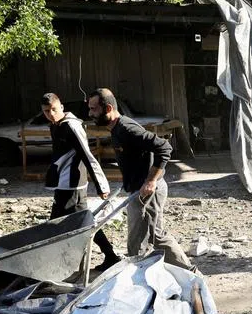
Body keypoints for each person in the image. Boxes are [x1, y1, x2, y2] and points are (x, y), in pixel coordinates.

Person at [86, 88, 194, 270]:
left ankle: (186, 274)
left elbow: (164, 148)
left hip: (148, 191)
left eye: (94, 109)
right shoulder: (116, 129)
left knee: (146, 240)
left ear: (108, 108)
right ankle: (157, 275)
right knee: (147, 238)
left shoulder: (127, 128)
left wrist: (150, 181)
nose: (90, 113)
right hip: (137, 189)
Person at [41, 92, 121, 271]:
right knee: (82, 222)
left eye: (53, 109)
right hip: (62, 184)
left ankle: (61, 265)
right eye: (46, 111)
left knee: (64, 224)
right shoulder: (55, 126)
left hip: (73, 185)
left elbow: (87, 155)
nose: (51, 114)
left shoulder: (72, 126)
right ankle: (109, 256)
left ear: (61, 106)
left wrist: (101, 185)